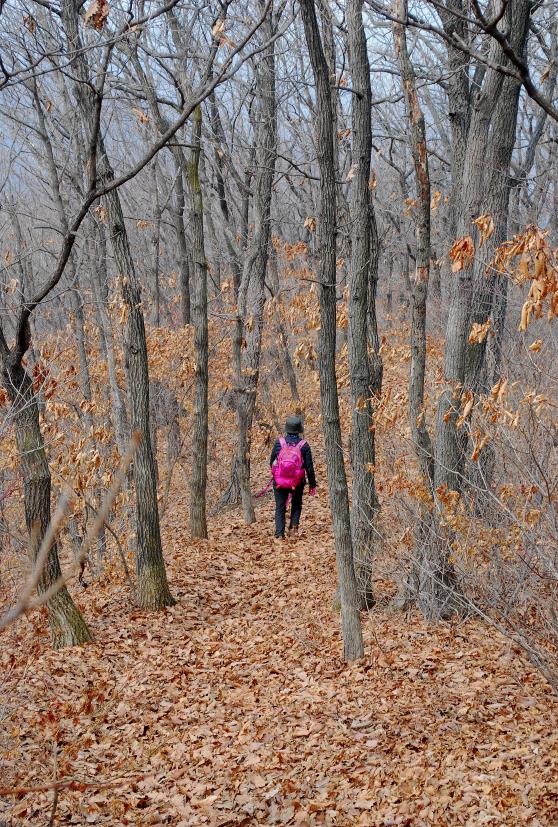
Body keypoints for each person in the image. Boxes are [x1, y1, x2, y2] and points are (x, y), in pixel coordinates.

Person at [270, 415, 316, 539]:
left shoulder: (279, 443)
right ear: (299, 430)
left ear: (287, 429)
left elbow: (272, 462)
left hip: (279, 481)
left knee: (280, 507)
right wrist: (312, 484)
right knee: (296, 504)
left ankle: (279, 534)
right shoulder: (304, 445)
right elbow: (309, 467)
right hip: (297, 482)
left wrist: (276, 475)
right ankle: (293, 530)